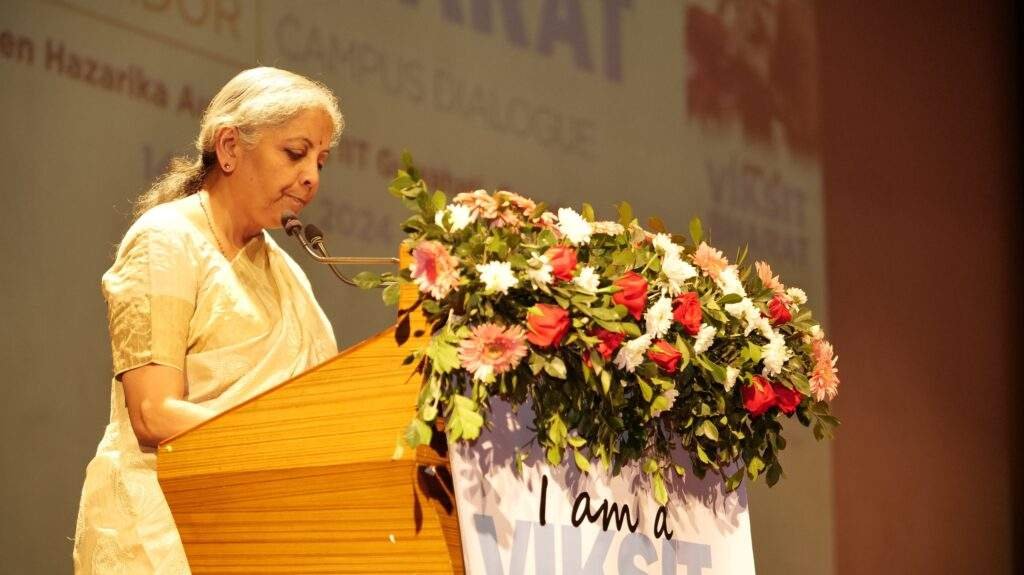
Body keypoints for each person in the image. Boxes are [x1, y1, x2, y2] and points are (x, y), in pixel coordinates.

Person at [72, 67, 343, 574]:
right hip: (160, 533)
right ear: (229, 147)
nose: (312, 176)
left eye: (321, 160)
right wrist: (285, 442)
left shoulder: (287, 273)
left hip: (257, 534)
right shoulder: (167, 239)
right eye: (295, 152)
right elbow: (154, 414)